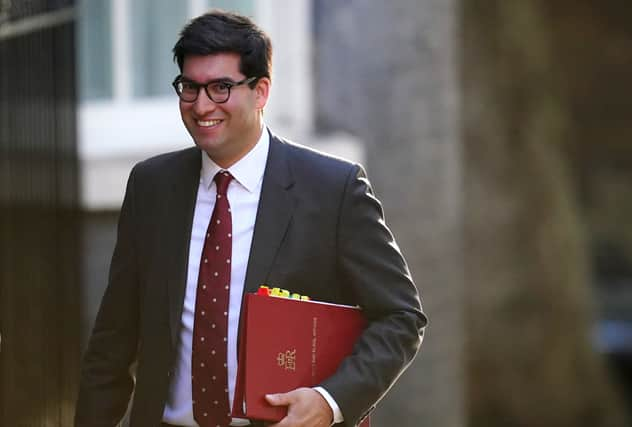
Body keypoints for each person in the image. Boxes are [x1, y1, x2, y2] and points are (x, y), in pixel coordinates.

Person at [75, 10, 426, 427]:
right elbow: (112, 342)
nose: (202, 105)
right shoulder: (152, 186)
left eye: (221, 88)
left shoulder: (334, 189)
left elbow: (402, 318)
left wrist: (331, 401)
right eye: (190, 87)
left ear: (261, 91)